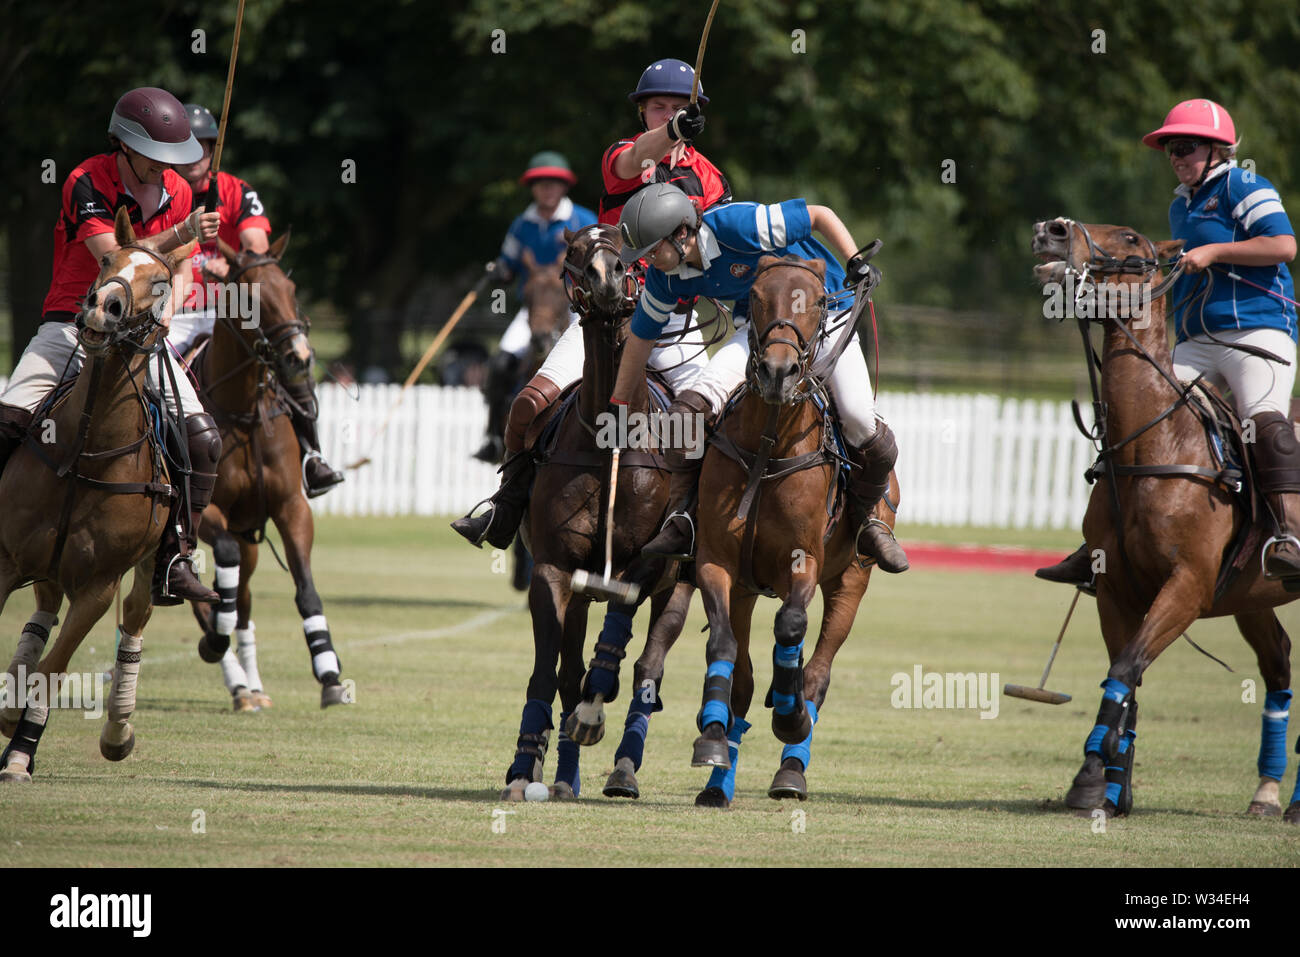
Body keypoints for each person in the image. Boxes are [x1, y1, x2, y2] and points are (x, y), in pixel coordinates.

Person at [453, 59, 728, 548]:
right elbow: (638, 156)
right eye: (658, 107)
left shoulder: (710, 177)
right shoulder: (624, 154)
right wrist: (672, 130)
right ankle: (507, 503)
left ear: (695, 110)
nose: (666, 114)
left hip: (674, 322)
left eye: (678, 107)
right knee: (526, 404)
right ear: (643, 112)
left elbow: (720, 244)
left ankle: (691, 526)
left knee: (702, 426)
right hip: (605, 319)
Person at [1037, 98, 1299, 587]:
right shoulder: (1182, 203)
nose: (1177, 156)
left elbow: (1284, 245)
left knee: (1263, 420)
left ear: (1217, 149)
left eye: (1186, 147)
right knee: (1138, 418)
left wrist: (1215, 251)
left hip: (1258, 333)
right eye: (1171, 149)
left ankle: (1286, 535)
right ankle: (1102, 541)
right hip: (1198, 339)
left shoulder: (1245, 185)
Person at [607, 182, 909, 572]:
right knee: (690, 408)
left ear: (681, 233)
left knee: (856, 416)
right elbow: (641, 338)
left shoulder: (737, 226)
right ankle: (684, 516)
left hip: (826, 311)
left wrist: (854, 260)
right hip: (760, 328)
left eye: (651, 250)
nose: (648, 260)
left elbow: (818, 215)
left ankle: (870, 521)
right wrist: (617, 404)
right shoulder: (667, 275)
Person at [0, 87, 223, 604]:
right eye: (156, 155)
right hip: (73, 323)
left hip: (144, 332)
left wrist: (170, 309)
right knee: (9, 419)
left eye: (173, 157)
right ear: (124, 146)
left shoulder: (179, 192)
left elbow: (185, 268)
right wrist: (184, 231)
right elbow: (115, 256)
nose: (167, 167)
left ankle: (174, 557)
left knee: (203, 440)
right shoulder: (85, 180)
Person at [171, 103, 344, 498]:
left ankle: (311, 456)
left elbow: (257, 248)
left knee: (292, 355)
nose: (196, 154)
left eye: (204, 145)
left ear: (213, 149)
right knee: (150, 373)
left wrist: (229, 266)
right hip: (177, 304)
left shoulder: (237, 192)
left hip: (233, 303)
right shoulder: (161, 193)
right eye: (187, 146)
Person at [473, 151, 596, 462]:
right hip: (533, 310)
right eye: (541, 183)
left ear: (564, 186)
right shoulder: (521, 224)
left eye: (554, 183)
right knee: (501, 363)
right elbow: (508, 262)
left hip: (574, 307)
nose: (548, 189)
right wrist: (501, 271)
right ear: (533, 187)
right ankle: (492, 437)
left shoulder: (582, 220)